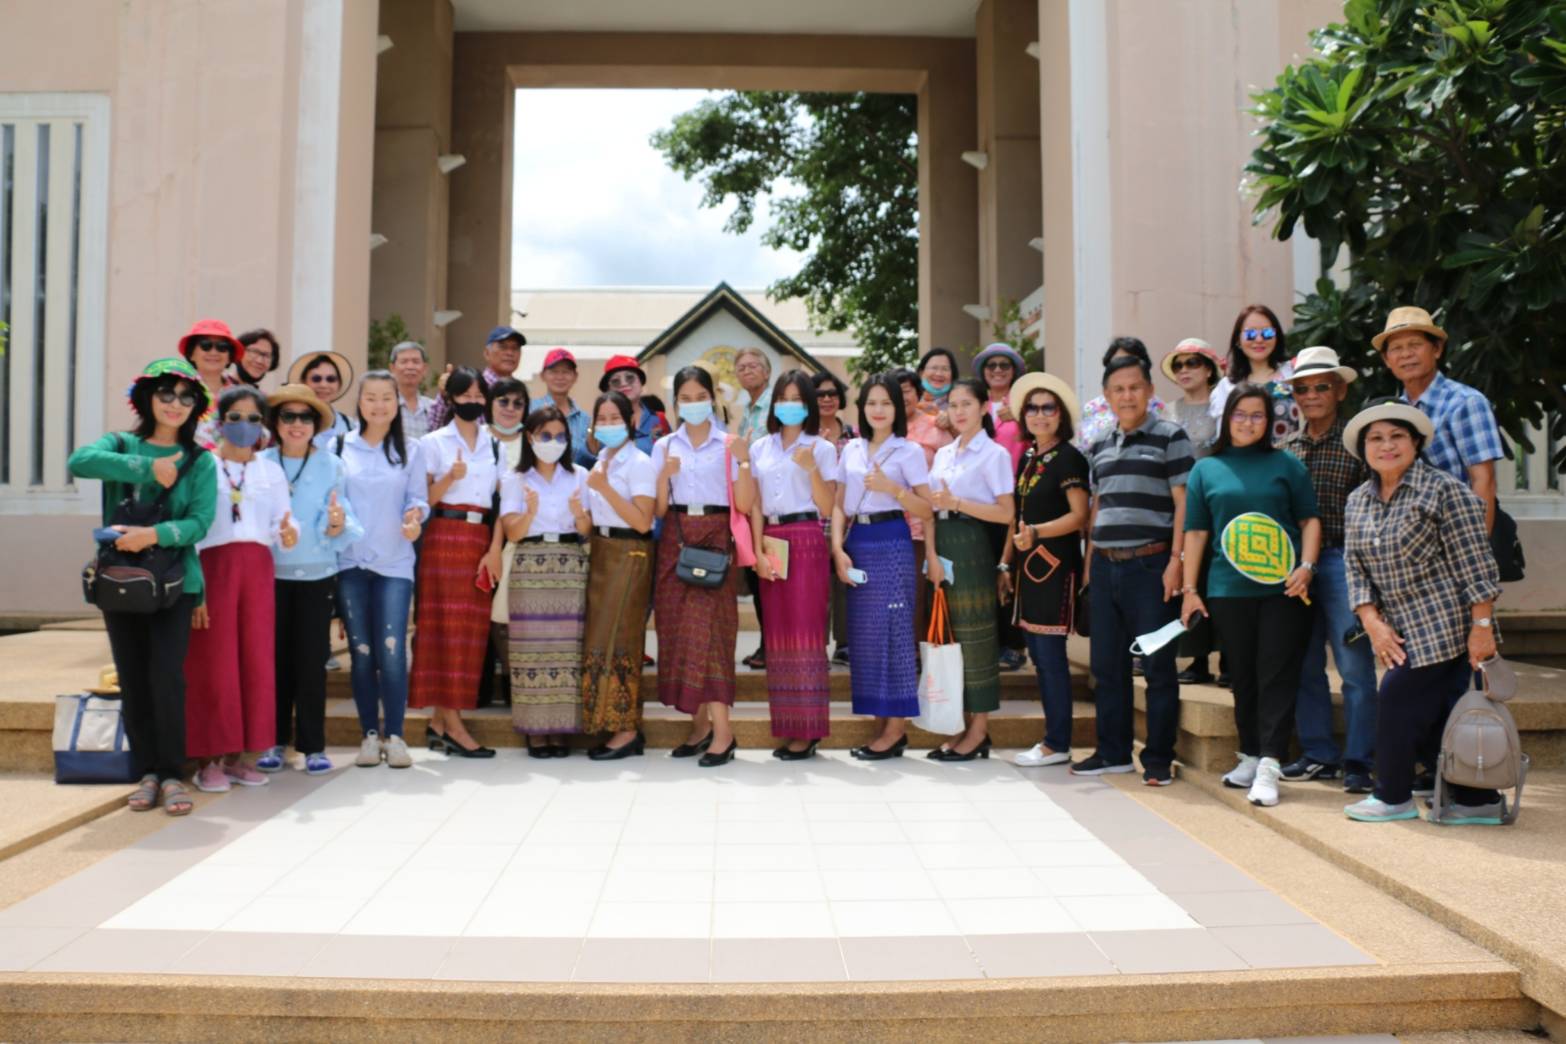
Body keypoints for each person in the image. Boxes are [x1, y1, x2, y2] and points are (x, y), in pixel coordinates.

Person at [69, 357, 217, 817]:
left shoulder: (201, 459)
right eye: (166, 394)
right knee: (132, 676)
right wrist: (144, 468)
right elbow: (80, 461)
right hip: (121, 582)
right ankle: (148, 771)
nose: (175, 404)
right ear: (147, 398)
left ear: (196, 406)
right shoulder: (122, 444)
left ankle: (173, 772)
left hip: (175, 584)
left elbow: (200, 521)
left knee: (166, 676)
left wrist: (152, 535)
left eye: (186, 396)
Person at [1341, 400, 1502, 823]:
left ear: (1415, 443)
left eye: (1397, 436)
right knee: (1438, 716)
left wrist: (1481, 627)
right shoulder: (1358, 500)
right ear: (1364, 449)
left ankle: (1392, 796)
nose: (1386, 445)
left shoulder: (1444, 489)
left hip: (1446, 620)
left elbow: (1477, 563)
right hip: (1396, 625)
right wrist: (1371, 622)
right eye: (1376, 438)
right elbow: (1354, 569)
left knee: (1395, 697)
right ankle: (1476, 801)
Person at [1181, 384, 1320, 807]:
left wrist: (1306, 568)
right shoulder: (1206, 469)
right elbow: (1197, 532)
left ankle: (1270, 764)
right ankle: (1251, 753)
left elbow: (1309, 521)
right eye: (1240, 415)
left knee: (1275, 673)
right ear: (1228, 419)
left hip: (1283, 589)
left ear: (1269, 421)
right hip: (1227, 590)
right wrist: (1190, 590)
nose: (1248, 423)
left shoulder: (1287, 465)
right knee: (1241, 675)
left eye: (1257, 415)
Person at [1075, 353, 1194, 785]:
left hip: (1152, 565)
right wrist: (1090, 568)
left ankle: (1159, 758)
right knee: (1106, 668)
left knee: (1158, 666)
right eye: (1118, 389)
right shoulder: (1101, 444)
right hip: (1105, 568)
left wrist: (1176, 563)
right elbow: (1098, 507)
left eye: (1134, 387)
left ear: (1149, 391)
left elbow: (1184, 504)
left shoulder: (1170, 436)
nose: (1127, 395)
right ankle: (1113, 752)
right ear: (1106, 397)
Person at [186, 386, 299, 793]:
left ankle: (240, 756)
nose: (244, 426)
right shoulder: (202, 466)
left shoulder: (271, 470)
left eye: (254, 419)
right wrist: (195, 588)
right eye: (235, 418)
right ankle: (209, 758)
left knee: (253, 659)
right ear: (219, 421)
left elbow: (284, 521)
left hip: (257, 569)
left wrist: (288, 533)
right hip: (212, 567)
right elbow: (193, 529)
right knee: (213, 662)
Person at [1281, 347, 1378, 793]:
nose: (1312, 394)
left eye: (1322, 386)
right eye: (1303, 387)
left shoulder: (1360, 443)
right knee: (1303, 664)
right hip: (1298, 567)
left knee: (1354, 667)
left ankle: (1361, 759)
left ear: (1340, 389)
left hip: (1345, 563)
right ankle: (1319, 753)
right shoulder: (1286, 449)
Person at [651, 365, 758, 767]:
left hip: (715, 540)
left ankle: (723, 734)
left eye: (701, 396)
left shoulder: (729, 444)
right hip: (676, 540)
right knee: (678, 633)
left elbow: (744, 506)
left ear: (713, 397)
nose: (693, 404)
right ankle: (697, 727)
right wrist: (663, 476)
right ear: (675, 402)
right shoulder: (664, 446)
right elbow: (660, 508)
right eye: (686, 397)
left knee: (713, 635)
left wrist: (744, 462)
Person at [833, 374, 940, 758]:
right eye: (871, 402)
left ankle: (895, 729)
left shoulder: (908, 452)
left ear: (898, 408)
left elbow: (928, 509)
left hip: (893, 540)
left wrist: (893, 490)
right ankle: (882, 723)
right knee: (865, 639)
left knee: (895, 633)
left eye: (886, 403)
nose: (878, 410)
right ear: (862, 408)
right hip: (857, 544)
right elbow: (837, 504)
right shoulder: (851, 450)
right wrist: (837, 550)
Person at [258, 383, 362, 775]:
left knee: (311, 662)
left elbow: (341, 515)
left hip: (317, 574)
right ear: (276, 422)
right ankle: (273, 742)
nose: (297, 424)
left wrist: (335, 523)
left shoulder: (332, 465)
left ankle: (314, 746)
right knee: (275, 662)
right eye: (289, 416)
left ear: (316, 423)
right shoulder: (262, 463)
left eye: (305, 417)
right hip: (270, 576)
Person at [335, 371, 428, 770]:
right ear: (359, 403)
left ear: (396, 402)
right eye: (370, 398)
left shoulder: (412, 449)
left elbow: (419, 499)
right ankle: (369, 735)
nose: (378, 405)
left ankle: (397, 735)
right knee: (362, 652)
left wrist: (415, 517)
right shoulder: (339, 446)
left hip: (395, 563)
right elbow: (332, 500)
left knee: (392, 652)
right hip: (350, 562)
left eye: (386, 397)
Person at [998, 373, 1089, 769]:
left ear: (1060, 415)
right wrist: (1005, 562)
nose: (1039, 415)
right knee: (1038, 654)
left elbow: (1080, 516)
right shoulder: (1030, 457)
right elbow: (1016, 517)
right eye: (1031, 408)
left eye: (1047, 408)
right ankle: (1053, 739)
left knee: (1051, 657)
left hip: (1054, 568)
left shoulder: (1069, 457)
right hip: (1026, 569)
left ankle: (1057, 743)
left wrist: (1036, 533)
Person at [410, 366, 501, 758]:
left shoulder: (495, 443)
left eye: (479, 396)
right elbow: (420, 501)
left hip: (481, 538)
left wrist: (494, 548)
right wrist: (450, 478)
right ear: (450, 399)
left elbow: (503, 501)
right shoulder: (431, 443)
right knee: (442, 630)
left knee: (471, 634)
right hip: (443, 535)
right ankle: (454, 725)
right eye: (464, 396)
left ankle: (439, 721)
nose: (472, 402)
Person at [750, 371, 840, 759]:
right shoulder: (760, 448)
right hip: (771, 538)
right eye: (782, 398)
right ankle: (787, 724)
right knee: (779, 636)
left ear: (807, 406)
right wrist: (755, 552)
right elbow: (754, 504)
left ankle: (809, 729)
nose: (789, 405)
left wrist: (811, 468)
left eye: (797, 398)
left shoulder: (820, 448)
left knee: (806, 634)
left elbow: (827, 505)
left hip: (805, 537)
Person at [926, 377, 1017, 761]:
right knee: (952, 639)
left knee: (976, 640)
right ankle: (961, 723)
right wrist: (930, 554)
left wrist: (958, 502)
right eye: (953, 405)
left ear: (984, 408)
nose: (959, 411)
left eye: (967, 404)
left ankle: (979, 729)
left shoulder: (993, 454)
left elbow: (1007, 513)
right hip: (943, 543)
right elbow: (932, 507)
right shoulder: (945, 453)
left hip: (974, 543)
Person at [499, 406, 592, 754]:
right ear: (530, 437)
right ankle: (536, 730)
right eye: (545, 436)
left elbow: (585, 531)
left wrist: (581, 515)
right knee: (530, 650)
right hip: (530, 565)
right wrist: (531, 512)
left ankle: (563, 728)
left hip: (570, 565)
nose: (553, 443)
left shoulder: (580, 475)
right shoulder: (515, 478)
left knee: (569, 651)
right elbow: (512, 532)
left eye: (560, 437)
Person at [1373, 306, 1503, 531]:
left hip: (1456, 532)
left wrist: (1476, 548)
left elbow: (1484, 481)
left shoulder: (1465, 402)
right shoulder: (1393, 412)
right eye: (1396, 348)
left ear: (1437, 349)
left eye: (1415, 345)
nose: (1406, 354)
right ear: (1386, 359)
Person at [580, 390, 657, 759]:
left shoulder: (639, 463)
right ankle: (607, 722)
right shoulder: (600, 461)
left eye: (616, 418)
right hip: (602, 550)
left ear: (630, 421)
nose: (609, 425)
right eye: (603, 418)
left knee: (622, 639)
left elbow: (643, 520)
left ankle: (627, 730)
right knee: (601, 638)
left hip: (630, 551)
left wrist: (605, 489)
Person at [1160, 338, 1226, 685]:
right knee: (1191, 578)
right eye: (1180, 364)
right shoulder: (1167, 411)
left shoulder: (1223, 406)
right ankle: (1197, 659)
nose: (1185, 370)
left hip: (1220, 502)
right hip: (1182, 505)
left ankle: (1228, 658)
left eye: (1193, 363)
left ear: (1208, 369)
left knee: (1222, 577)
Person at [974, 343, 1030, 672]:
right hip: (980, 502)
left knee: (1011, 572)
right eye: (991, 365)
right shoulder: (977, 405)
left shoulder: (1023, 405)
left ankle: (1015, 644)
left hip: (1014, 495)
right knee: (987, 573)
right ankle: (991, 643)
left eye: (1004, 365)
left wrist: (1021, 415)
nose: (997, 370)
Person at [477, 377, 529, 709]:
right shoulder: (477, 438)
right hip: (475, 530)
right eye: (503, 401)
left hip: (517, 535)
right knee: (479, 615)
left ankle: (513, 685)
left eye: (517, 403)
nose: (509, 409)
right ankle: (479, 689)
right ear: (490, 404)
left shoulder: (533, 441)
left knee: (508, 615)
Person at [732, 347, 774, 670]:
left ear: (767, 372)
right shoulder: (747, 410)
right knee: (760, 585)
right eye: (742, 367)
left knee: (770, 582)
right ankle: (767, 644)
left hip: (772, 508)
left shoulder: (774, 406)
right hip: (749, 508)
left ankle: (773, 646)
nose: (748, 371)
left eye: (754, 366)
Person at [813, 370, 857, 665]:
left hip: (850, 524)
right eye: (820, 394)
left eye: (832, 393)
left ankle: (844, 643)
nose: (827, 399)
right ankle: (817, 643)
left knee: (845, 585)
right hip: (815, 524)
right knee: (818, 588)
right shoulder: (805, 437)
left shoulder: (855, 436)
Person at [1209, 305, 1299, 443]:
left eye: (1267, 333)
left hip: (1291, 460)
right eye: (1250, 334)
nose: (1259, 340)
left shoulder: (1293, 372)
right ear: (1238, 340)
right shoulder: (1226, 387)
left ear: (1277, 337)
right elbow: (1223, 437)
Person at [1075, 338, 1170, 450]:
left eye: (1130, 362)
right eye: (1117, 363)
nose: (1123, 368)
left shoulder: (1159, 408)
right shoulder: (1091, 408)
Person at [429, 325, 526, 429]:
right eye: (503, 347)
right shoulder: (470, 385)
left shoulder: (520, 392)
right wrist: (445, 397)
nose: (510, 353)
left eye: (515, 348)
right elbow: (434, 427)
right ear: (487, 353)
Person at [177, 319, 245, 449]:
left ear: (229, 356)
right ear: (191, 354)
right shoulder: (178, 391)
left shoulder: (241, 395)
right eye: (205, 345)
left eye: (222, 347)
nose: (214, 352)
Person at [532, 347, 595, 467]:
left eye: (566, 372)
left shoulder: (585, 420)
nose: (560, 377)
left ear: (575, 376)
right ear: (542, 375)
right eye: (554, 371)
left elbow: (589, 458)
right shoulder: (530, 409)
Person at [599, 355, 669, 454]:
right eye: (616, 381)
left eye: (630, 378)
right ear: (608, 390)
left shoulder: (659, 419)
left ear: (641, 384)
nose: (623, 384)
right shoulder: (602, 425)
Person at [287, 351, 357, 445]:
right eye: (316, 379)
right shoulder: (289, 420)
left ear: (339, 384)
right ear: (303, 382)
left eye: (331, 379)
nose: (324, 385)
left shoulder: (350, 425)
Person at [907, 349, 958, 463]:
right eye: (934, 368)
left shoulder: (960, 405)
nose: (939, 374)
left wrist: (953, 424)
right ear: (921, 373)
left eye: (945, 369)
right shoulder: (908, 403)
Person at [390, 341, 437, 440]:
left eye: (416, 362)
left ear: (424, 369)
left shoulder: (434, 408)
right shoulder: (383, 407)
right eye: (404, 362)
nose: (410, 367)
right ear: (392, 368)